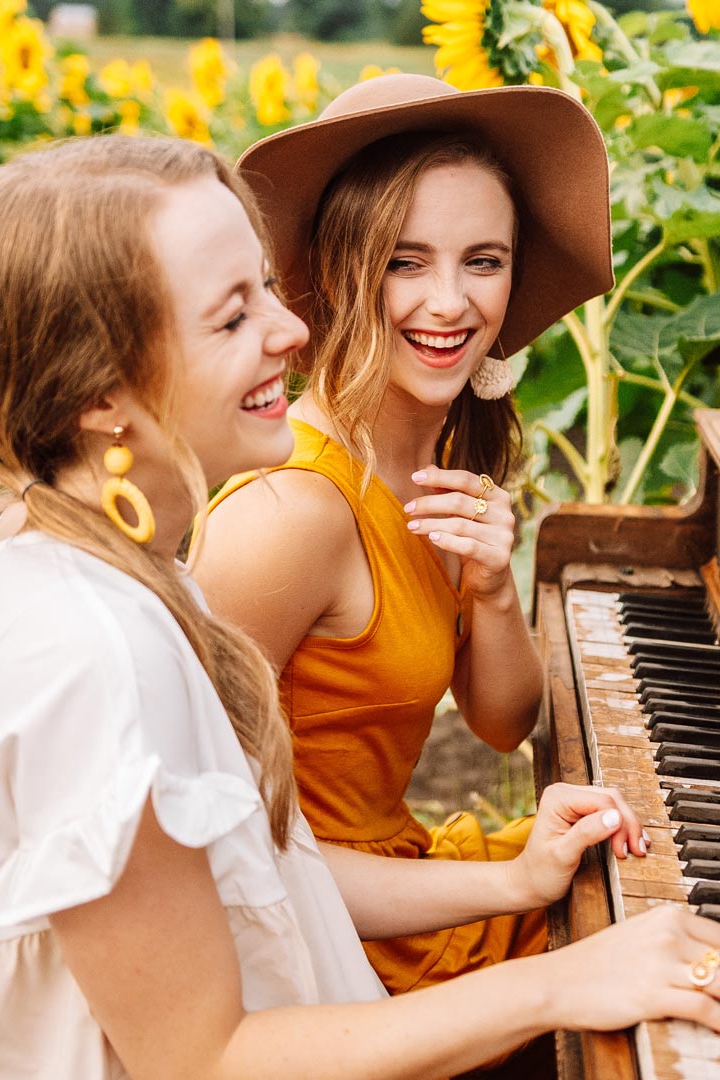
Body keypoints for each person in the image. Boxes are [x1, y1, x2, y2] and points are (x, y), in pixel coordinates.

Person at [0, 134, 720, 1079]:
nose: (293, 330)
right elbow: (207, 1062)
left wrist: (510, 879)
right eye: (231, 316)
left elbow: (270, 870)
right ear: (100, 395)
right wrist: (564, 982)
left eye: (268, 287)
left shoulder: (113, 579)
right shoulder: (92, 655)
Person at [193, 73, 614, 995]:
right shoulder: (292, 514)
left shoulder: (435, 458)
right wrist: (506, 882)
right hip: (322, 949)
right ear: (343, 271)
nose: (452, 303)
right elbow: (208, 856)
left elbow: (504, 727)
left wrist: (495, 587)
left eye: (485, 260)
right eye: (405, 261)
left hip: (389, 884)